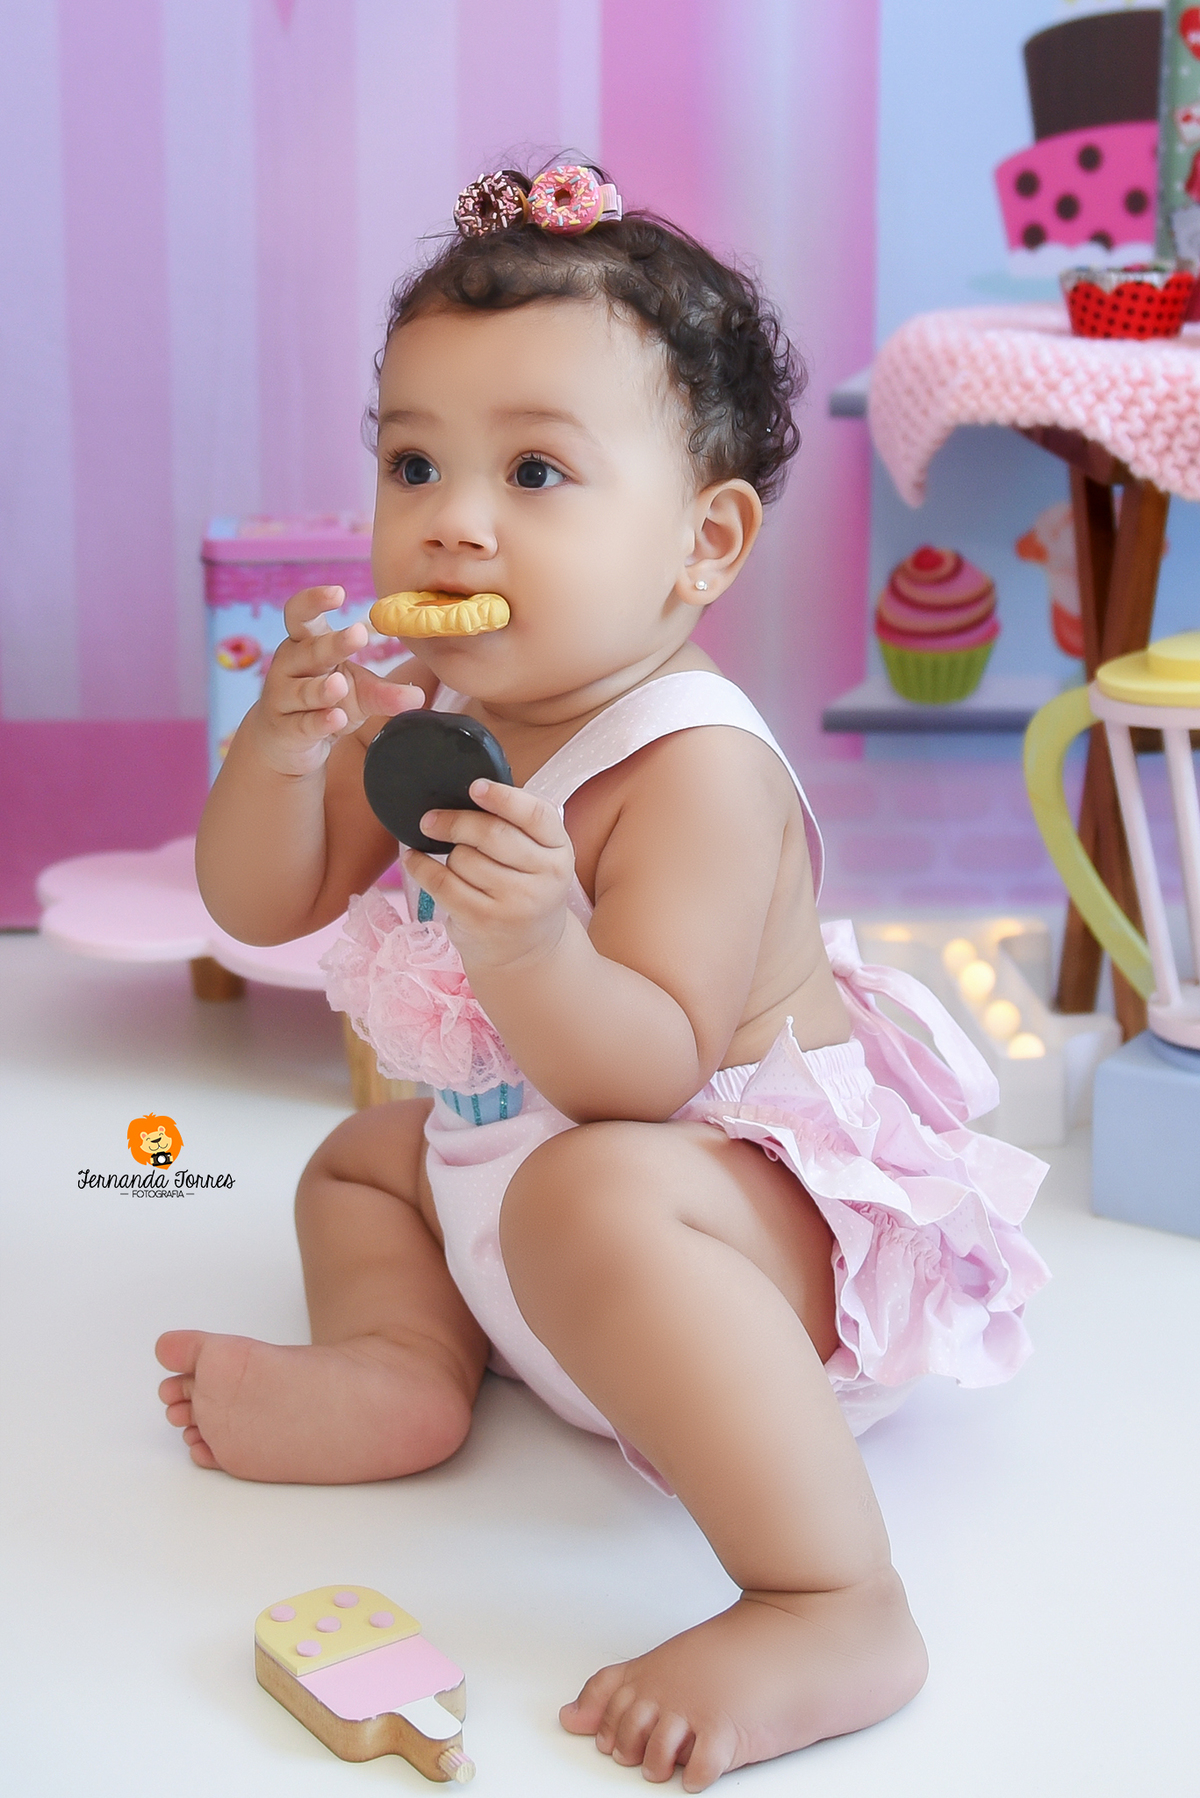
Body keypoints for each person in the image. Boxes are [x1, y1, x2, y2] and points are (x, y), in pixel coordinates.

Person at [157, 165, 1049, 1790]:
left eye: (536, 470)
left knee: (587, 1191)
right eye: (413, 462)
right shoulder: (425, 711)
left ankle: (833, 1597)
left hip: (739, 1273)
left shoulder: (694, 768)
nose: (454, 516)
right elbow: (258, 902)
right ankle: (409, 1365)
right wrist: (276, 762)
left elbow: (642, 1071)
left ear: (702, 542)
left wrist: (533, 945)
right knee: (362, 1160)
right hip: (541, 1215)